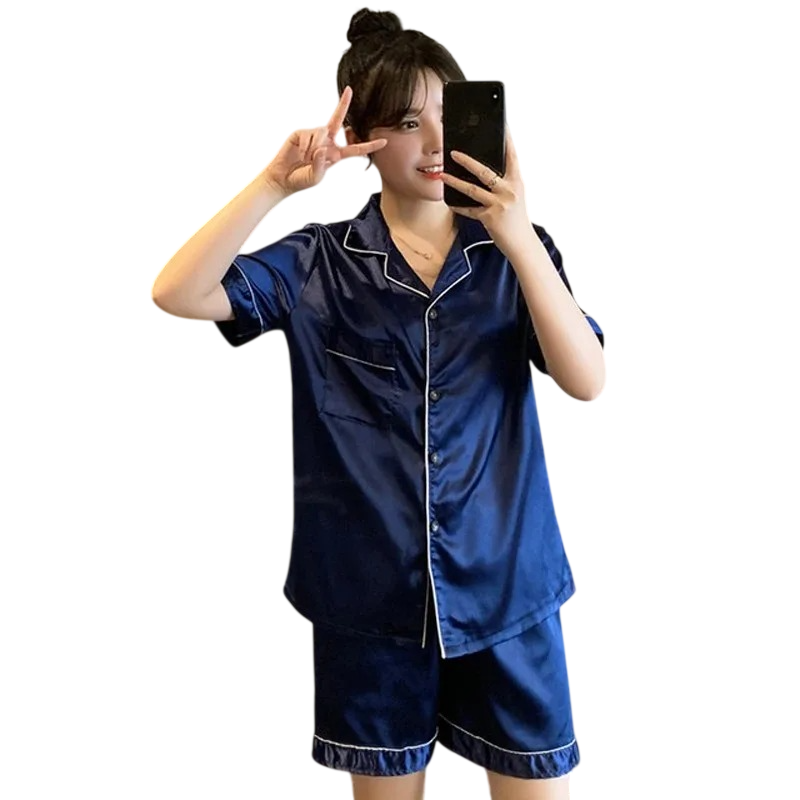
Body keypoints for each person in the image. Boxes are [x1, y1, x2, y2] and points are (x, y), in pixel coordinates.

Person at [152, 7, 605, 800]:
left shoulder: (516, 256)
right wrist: (273, 186)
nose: (433, 141)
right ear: (361, 137)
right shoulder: (317, 263)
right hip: (371, 601)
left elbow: (588, 378)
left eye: (447, 115)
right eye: (405, 122)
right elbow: (177, 292)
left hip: (508, 587)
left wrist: (518, 236)